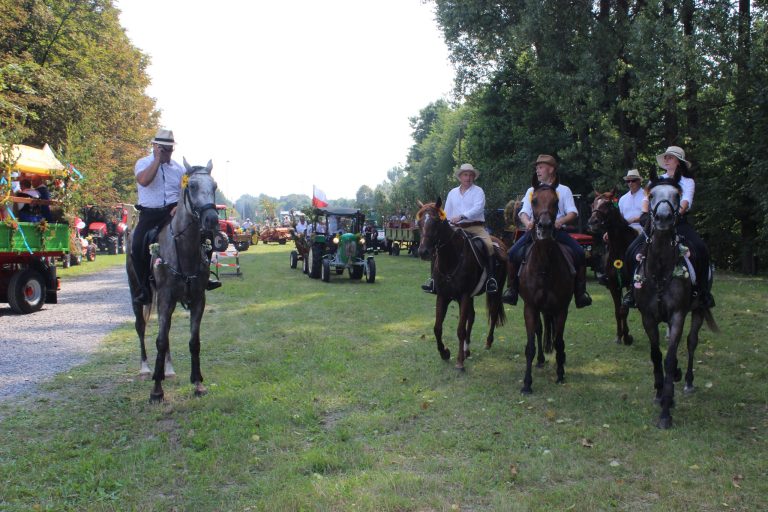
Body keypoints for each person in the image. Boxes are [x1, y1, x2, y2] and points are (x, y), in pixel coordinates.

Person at [131, 128, 220, 305]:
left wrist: (179, 206)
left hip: (173, 213)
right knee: (137, 245)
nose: (168, 153)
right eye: (164, 149)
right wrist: (157, 159)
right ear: (155, 147)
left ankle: (204, 276)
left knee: (206, 236)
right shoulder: (142, 163)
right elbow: (144, 181)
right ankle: (144, 289)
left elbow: (186, 193)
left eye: (170, 149)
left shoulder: (179, 170)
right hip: (149, 214)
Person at [623, 146, 714, 308]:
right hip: (655, 223)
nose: (666, 160)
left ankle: (702, 292)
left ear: (678, 162)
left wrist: (675, 215)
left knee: (701, 249)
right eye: (665, 157)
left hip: (678, 223)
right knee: (631, 250)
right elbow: (646, 200)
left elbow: (685, 202)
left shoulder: (687, 182)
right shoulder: (655, 180)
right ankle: (632, 290)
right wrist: (646, 214)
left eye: (670, 157)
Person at [501, 154, 592, 308]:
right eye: (536, 167)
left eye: (541, 167)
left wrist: (560, 221)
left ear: (551, 169)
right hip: (535, 232)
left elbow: (572, 212)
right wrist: (527, 221)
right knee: (512, 254)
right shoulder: (531, 190)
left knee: (579, 253)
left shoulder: (564, 190)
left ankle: (580, 293)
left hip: (557, 232)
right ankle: (512, 290)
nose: (537, 170)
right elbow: (523, 211)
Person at [421, 163, 498, 294]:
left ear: (473, 177)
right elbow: (447, 212)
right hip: (455, 228)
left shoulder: (478, 191)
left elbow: (478, 208)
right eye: (465, 175)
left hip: (475, 227)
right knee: (438, 247)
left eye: (470, 175)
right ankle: (434, 281)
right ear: (460, 177)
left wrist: (462, 216)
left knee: (489, 245)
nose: (468, 178)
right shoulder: (452, 193)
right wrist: (446, 222)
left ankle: (491, 279)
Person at [618, 169, 644, 233]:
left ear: (639, 181)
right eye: (628, 181)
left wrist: (633, 220)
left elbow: (650, 215)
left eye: (633, 180)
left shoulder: (647, 196)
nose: (630, 183)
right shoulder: (622, 199)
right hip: (626, 229)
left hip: (643, 228)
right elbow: (619, 218)